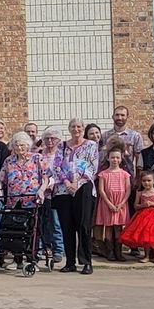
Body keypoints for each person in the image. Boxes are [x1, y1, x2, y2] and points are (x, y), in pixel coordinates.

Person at [0, 131, 50, 269]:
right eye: (17, 145)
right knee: (15, 230)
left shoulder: (37, 158)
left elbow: (46, 177)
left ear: (28, 145)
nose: (19, 148)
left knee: (32, 230)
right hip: (14, 200)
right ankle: (17, 259)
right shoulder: (9, 160)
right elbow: (1, 179)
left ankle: (32, 259)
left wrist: (41, 190)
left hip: (32, 200)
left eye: (22, 145)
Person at [52, 118, 98, 275]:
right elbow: (56, 166)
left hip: (83, 188)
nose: (76, 129)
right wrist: (66, 182)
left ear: (83, 128)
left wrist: (76, 181)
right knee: (67, 226)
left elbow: (92, 166)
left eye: (79, 126)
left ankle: (86, 262)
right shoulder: (61, 146)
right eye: (73, 126)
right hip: (63, 190)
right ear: (69, 128)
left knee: (84, 225)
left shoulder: (91, 145)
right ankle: (70, 262)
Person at [94, 148, 132, 262]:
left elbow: (128, 190)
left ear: (121, 159)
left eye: (117, 157)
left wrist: (121, 203)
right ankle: (109, 252)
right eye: (112, 157)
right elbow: (101, 190)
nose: (115, 160)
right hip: (107, 203)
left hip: (121, 203)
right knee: (108, 228)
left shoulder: (125, 174)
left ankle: (118, 252)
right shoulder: (103, 174)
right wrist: (109, 203)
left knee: (119, 228)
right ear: (108, 158)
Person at [38, 128, 66, 263]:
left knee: (56, 222)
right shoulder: (39, 155)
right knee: (42, 222)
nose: (50, 141)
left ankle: (58, 250)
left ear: (58, 140)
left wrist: (53, 182)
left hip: (56, 192)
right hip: (41, 193)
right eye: (47, 138)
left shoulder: (61, 155)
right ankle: (44, 247)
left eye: (53, 138)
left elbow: (65, 172)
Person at [101, 106, 144, 173]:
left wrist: (138, 177)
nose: (119, 118)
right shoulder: (105, 136)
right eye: (117, 115)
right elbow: (101, 157)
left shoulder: (135, 136)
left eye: (122, 115)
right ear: (113, 117)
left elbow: (139, 159)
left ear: (127, 117)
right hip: (108, 174)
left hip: (128, 174)